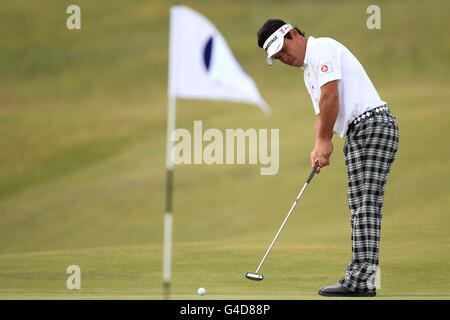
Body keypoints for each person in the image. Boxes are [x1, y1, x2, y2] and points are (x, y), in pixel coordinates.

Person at [257, 19, 399, 297]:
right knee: (361, 205)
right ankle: (363, 278)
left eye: (282, 50)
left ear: (293, 34)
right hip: (360, 132)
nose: (284, 58)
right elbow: (323, 114)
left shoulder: (322, 48)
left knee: (364, 206)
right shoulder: (309, 71)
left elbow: (331, 97)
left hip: (372, 126)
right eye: (277, 57)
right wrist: (318, 145)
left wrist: (324, 141)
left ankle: (361, 280)